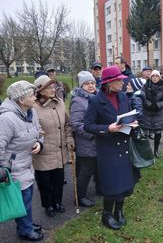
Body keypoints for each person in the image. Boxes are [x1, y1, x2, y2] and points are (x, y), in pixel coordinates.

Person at [84, 65, 136, 230]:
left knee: (125, 181)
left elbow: (127, 115)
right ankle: (107, 214)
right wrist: (107, 128)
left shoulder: (123, 97)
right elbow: (88, 126)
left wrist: (133, 124)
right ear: (109, 82)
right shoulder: (95, 100)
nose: (123, 82)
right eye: (119, 80)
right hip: (108, 148)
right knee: (112, 182)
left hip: (124, 145)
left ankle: (119, 211)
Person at [0, 81, 44, 241]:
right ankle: (25, 230)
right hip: (13, 168)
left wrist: (40, 143)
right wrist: (2, 169)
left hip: (27, 164)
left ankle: (27, 224)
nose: (35, 97)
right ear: (20, 100)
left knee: (27, 197)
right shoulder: (6, 119)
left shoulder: (31, 112)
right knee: (23, 199)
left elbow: (39, 132)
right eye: (31, 95)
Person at [32, 75, 74, 217]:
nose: (53, 89)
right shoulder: (33, 108)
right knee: (45, 183)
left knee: (58, 181)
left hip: (60, 151)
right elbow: (31, 129)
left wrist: (69, 139)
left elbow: (68, 124)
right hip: (44, 153)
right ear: (40, 90)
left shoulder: (60, 103)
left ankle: (57, 202)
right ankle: (48, 205)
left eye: (53, 86)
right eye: (49, 87)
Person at [70, 71, 99, 207]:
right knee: (85, 171)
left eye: (92, 83)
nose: (91, 86)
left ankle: (100, 189)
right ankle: (80, 197)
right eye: (87, 83)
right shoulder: (78, 101)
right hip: (87, 142)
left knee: (97, 167)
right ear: (81, 86)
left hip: (99, 139)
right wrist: (92, 134)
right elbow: (76, 124)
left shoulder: (97, 97)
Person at [141, 70, 163, 158]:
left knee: (158, 133)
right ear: (151, 77)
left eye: (157, 76)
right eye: (153, 76)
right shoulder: (145, 86)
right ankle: (146, 151)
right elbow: (143, 97)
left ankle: (156, 150)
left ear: (159, 77)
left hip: (158, 113)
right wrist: (149, 104)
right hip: (147, 112)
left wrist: (157, 105)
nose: (155, 78)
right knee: (145, 133)